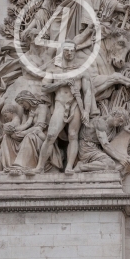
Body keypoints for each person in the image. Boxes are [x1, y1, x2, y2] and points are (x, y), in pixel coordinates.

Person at [27, 40, 95, 175]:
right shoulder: (54, 69)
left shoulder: (81, 70)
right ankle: (40, 167)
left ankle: (69, 166)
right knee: (51, 135)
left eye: (72, 50)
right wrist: (61, 82)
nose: (69, 53)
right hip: (60, 104)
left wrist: (86, 111)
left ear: (75, 52)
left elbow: (87, 92)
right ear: (62, 52)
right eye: (66, 50)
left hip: (75, 104)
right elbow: (44, 87)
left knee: (73, 135)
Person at [7, 91, 63, 174]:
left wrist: (23, 133)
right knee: (8, 137)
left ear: (28, 99)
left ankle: (20, 166)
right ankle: (10, 164)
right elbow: (24, 126)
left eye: (22, 103)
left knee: (29, 137)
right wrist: (13, 130)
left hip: (44, 137)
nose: (22, 106)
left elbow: (39, 128)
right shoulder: (27, 112)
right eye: (20, 104)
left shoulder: (42, 108)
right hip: (32, 134)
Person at [75, 108, 130, 172]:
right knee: (110, 164)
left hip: (96, 149)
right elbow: (105, 145)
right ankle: (81, 167)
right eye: (120, 120)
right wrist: (120, 158)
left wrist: (125, 131)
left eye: (122, 123)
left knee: (110, 164)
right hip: (86, 148)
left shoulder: (113, 129)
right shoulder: (100, 122)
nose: (120, 124)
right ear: (115, 114)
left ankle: (84, 166)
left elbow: (112, 144)